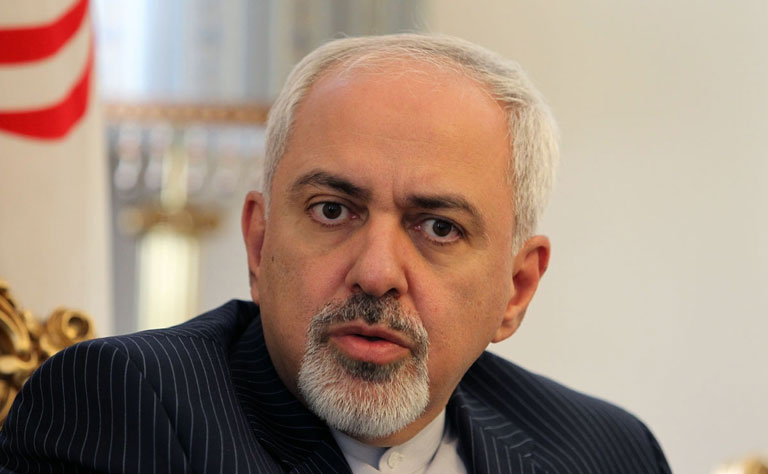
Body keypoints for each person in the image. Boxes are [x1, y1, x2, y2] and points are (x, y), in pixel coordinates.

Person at [0, 34, 670, 473]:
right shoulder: (127, 407)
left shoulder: (605, 451)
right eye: (332, 211)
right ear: (259, 242)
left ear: (516, 290)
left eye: (438, 228)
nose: (375, 273)